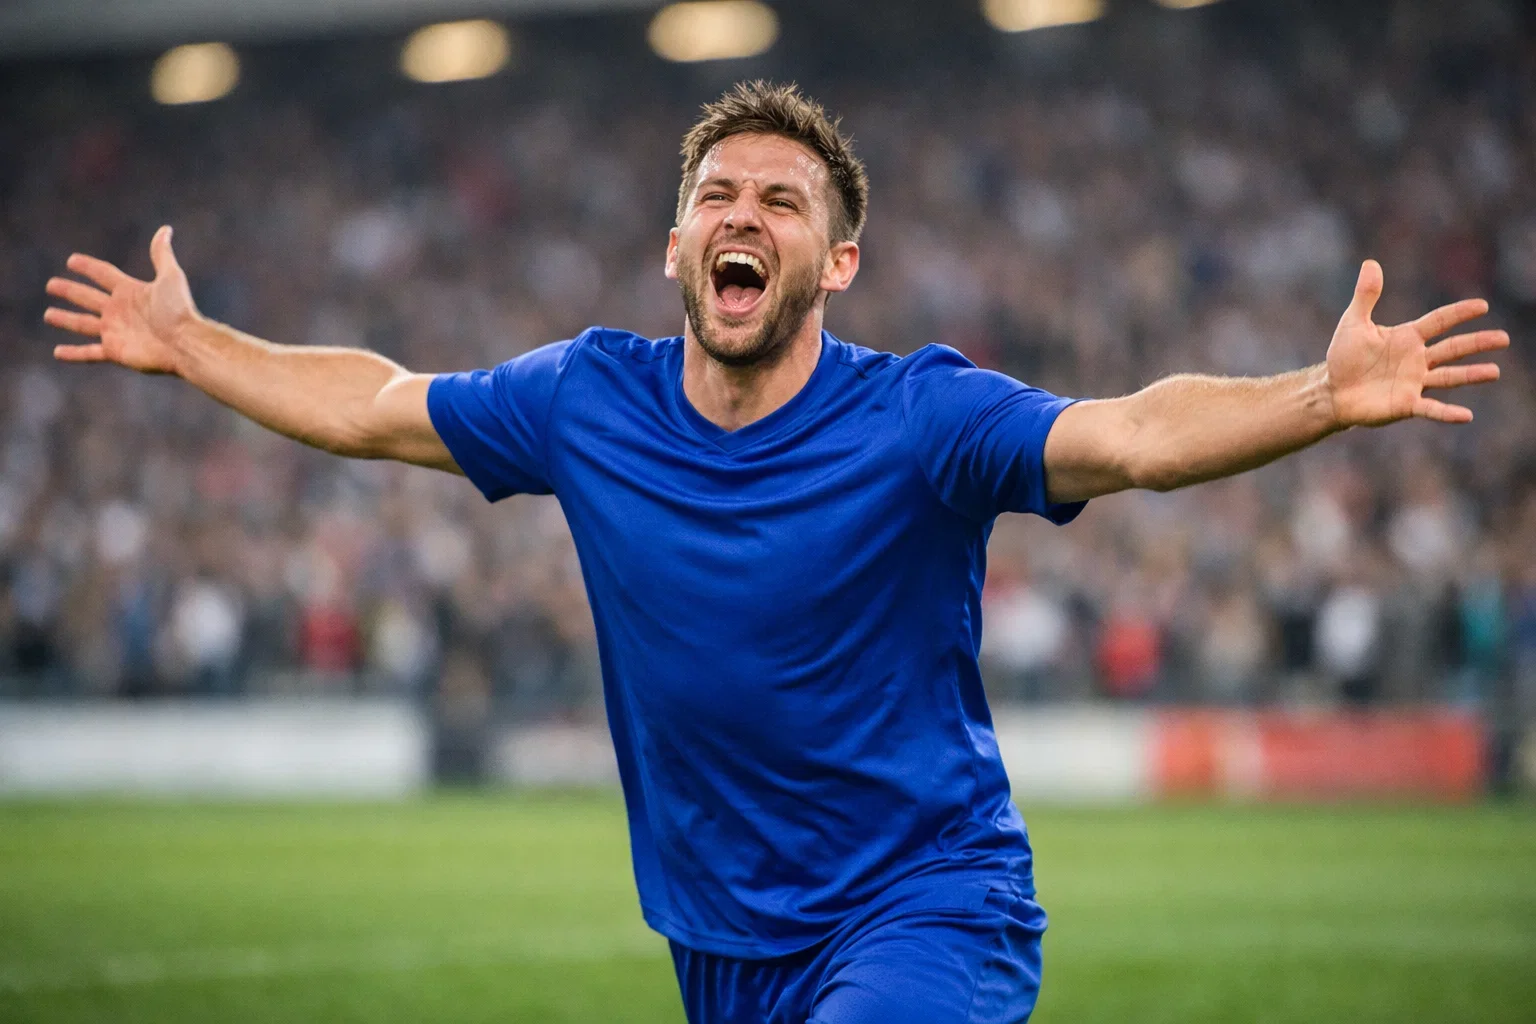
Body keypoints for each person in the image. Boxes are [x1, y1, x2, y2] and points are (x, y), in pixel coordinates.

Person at [42, 81, 1508, 1024]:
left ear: (837, 260)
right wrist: (191, 346)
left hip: (927, 905)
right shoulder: (582, 398)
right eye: (717, 199)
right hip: (719, 941)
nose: (744, 216)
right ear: (676, 245)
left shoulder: (922, 415)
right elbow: (370, 406)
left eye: (782, 203)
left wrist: (1319, 398)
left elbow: (1124, 435)